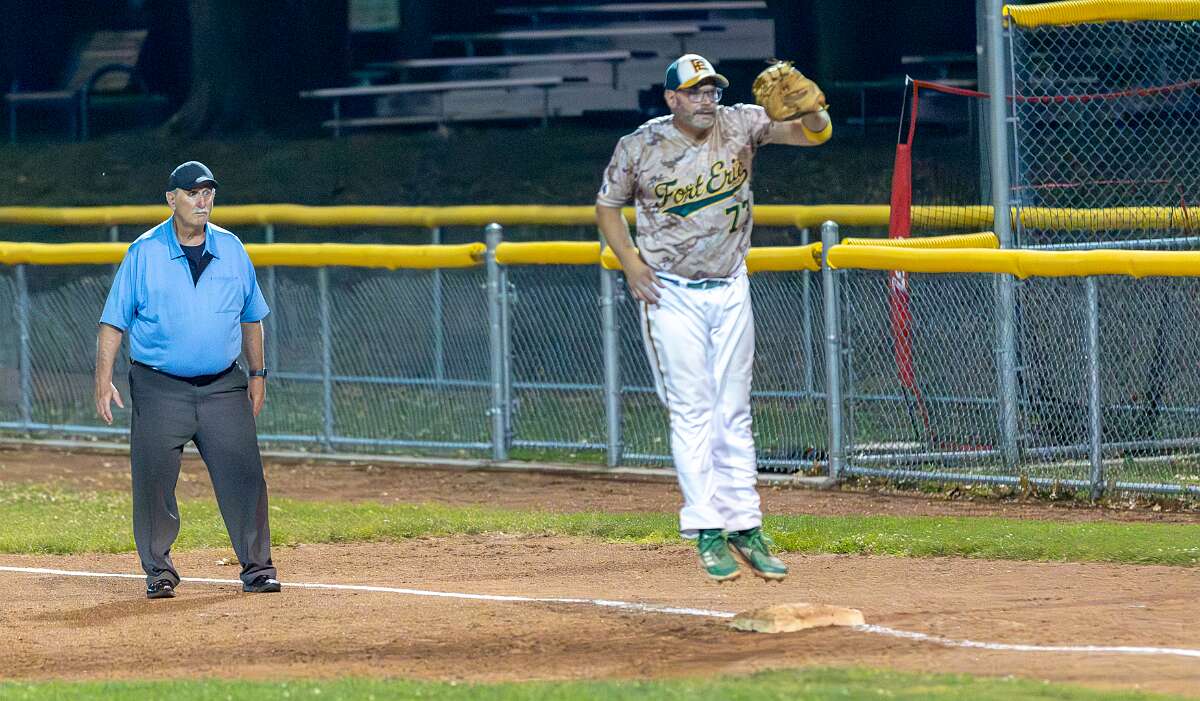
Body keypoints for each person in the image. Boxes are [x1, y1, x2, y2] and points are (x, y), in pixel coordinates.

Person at [595, 54, 832, 582]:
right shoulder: (641, 145)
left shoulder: (740, 122)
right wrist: (630, 262)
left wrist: (814, 109)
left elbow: (814, 135)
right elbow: (607, 206)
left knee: (733, 413)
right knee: (693, 411)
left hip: (729, 288)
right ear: (671, 98)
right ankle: (706, 528)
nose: (706, 100)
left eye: (712, 90)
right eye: (695, 92)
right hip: (670, 293)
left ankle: (746, 526)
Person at [95, 161, 280, 599]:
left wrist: (258, 374)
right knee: (154, 482)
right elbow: (113, 323)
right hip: (159, 387)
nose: (202, 200)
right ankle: (159, 572)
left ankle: (258, 569)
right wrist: (103, 380)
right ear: (171, 199)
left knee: (245, 477)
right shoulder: (144, 252)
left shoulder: (232, 248)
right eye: (192, 192)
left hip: (223, 386)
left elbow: (251, 317)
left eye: (208, 192)